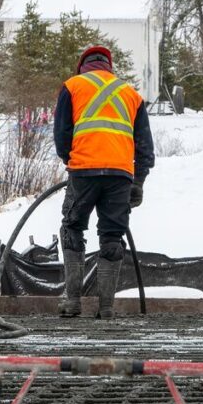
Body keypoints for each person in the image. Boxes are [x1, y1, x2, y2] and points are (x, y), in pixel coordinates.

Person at [53, 44, 155, 320]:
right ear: (109, 67)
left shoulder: (73, 86)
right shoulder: (130, 94)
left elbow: (62, 134)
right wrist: (139, 181)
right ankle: (106, 308)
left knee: (73, 226)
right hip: (120, 175)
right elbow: (144, 145)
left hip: (83, 171)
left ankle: (73, 301)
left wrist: (70, 161)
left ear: (82, 66)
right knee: (112, 235)